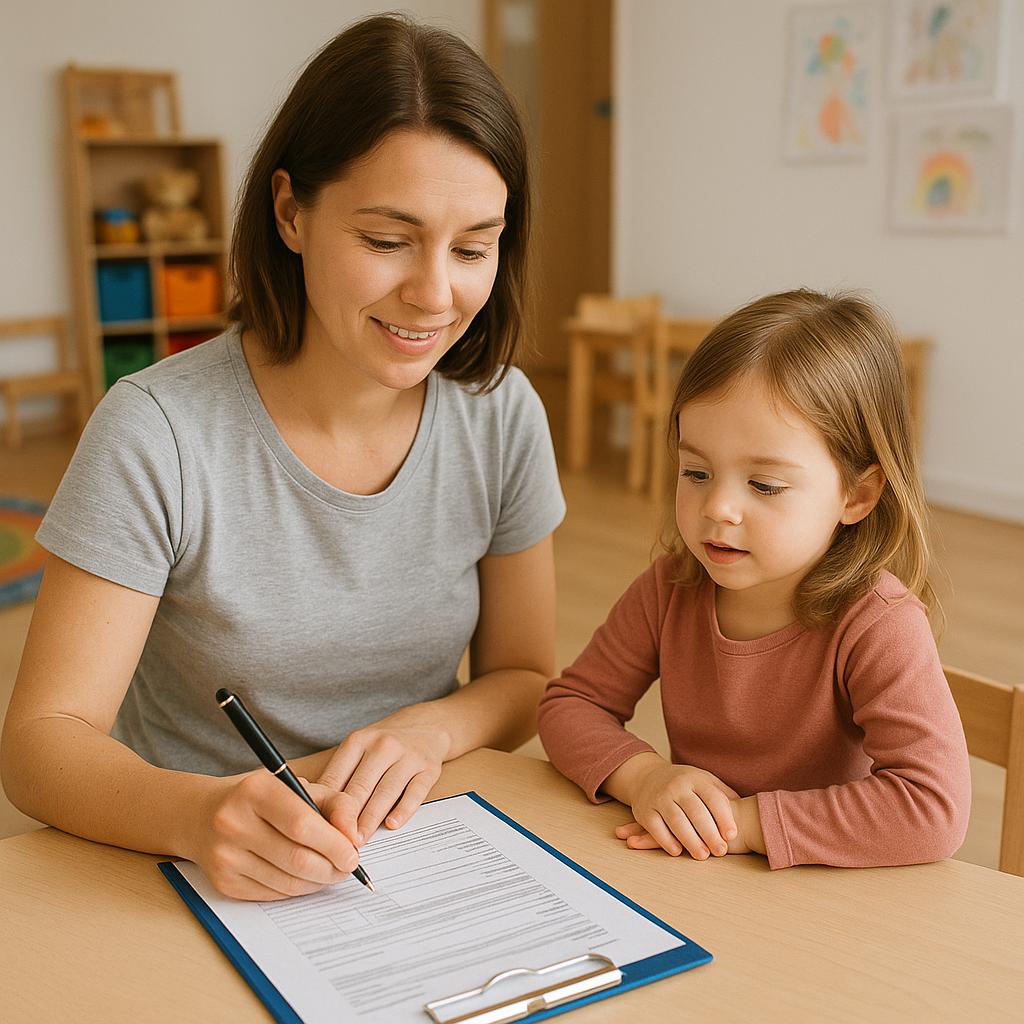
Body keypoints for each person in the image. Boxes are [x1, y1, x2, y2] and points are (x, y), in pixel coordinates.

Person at [1, 14, 564, 900]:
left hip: (417, 850)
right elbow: (40, 745)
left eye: (472, 247)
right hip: (183, 867)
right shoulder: (157, 431)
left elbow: (525, 679)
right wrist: (197, 814)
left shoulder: (502, 414)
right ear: (291, 212)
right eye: (386, 241)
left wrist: (433, 729)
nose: (434, 293)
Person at [537, 289, 971, 869]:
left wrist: (743, 823)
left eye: (764, 485)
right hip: (700, 875)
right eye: (696, 471)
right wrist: (642, 776)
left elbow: (932, 808)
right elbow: (570, 704)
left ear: (857, 495)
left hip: (821, 895)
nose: (718, 507)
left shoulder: (879, 626)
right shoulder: (669, 588)